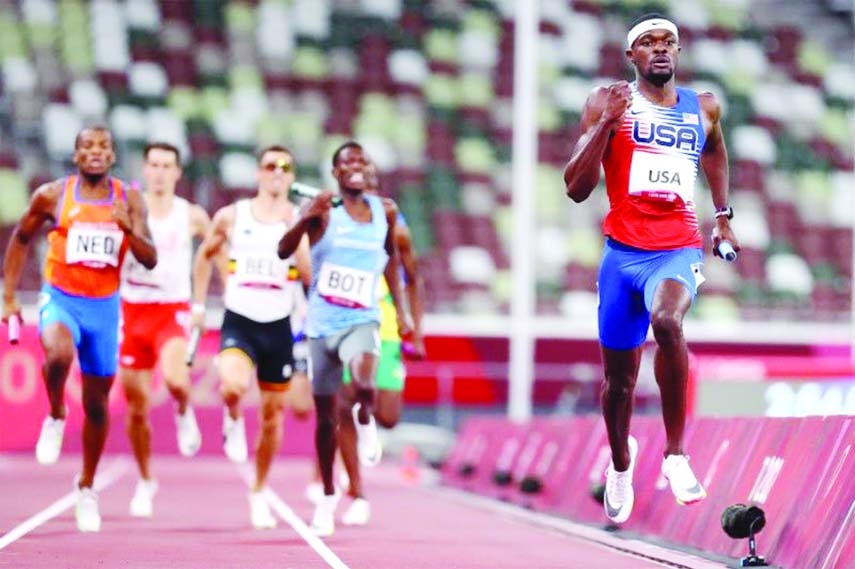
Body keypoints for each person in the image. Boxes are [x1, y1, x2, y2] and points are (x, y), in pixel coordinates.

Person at [562, 13, 740, 524]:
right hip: (622, 255)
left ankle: (676, 454)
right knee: (618, 382)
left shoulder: (703, 106)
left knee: (668, 321)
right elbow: (575, 189)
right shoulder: (605, 101)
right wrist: (606, 123)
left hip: (677, 248)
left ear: (678, 54)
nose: (660, 50)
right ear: (631, 56)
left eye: (669, 43)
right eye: (648, 43)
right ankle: (621, 462)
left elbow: (717, 154)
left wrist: (723, 216)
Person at [1, 126, 157, 532]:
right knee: (58, 354)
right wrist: (9, 295)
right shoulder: (53, 195)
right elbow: (20, 238)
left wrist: (127, 229)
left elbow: (150, 257)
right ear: (75, 155)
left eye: (103, 146)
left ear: (112, 155)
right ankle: (54, 412)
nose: (95, 152)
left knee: (98, 405)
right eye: (87, 146)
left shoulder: (129, 198)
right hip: (62, 297)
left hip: (104, 308)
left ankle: (86, 487)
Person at [277, 141, 410, 537]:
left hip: (363, 318)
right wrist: (304, 219)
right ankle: (329, 496)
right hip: (322, 324)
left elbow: (391, 266)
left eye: (360, 160)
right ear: (335, 173)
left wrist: (401, 313)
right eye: (346, 162)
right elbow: (284, 250)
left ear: (369, 169)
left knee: (365, 381)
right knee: (325, 419)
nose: (355, 166)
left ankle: (366, 418)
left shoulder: (384, 212)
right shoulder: (323, 211)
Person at [191, 145, 312, 530]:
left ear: (292, 177)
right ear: (258, 174)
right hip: (240, 320)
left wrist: (304, 231)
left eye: (285, 167)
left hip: (278, 325)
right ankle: (231, 417)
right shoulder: (232, 215)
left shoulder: (297, 220)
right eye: (270, 166)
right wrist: (198, 305)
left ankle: (259, 491)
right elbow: (205, 255)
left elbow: (308, 276)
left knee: (273, 418)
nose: (277, 172)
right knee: (231, 385)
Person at [118, 141, 211, 518]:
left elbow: (217, 251)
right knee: (136, 407)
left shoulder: (190, 215)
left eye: (166, 165)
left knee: (175, 379)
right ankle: (145, 479)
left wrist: (202, 302)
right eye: (153, 164)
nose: (158, 172)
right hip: (132, 309)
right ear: (144, 170)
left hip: (171, 309)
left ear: (177, 172)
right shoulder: (125, 209)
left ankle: (183, 409)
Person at [333, 159, 427, 526]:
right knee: (343, 403)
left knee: (388, 415)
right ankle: (356, 492)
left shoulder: (394, 227)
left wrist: (415, 329)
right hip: (343, 320)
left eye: (371, 183)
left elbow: (414, 278)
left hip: (385, 322)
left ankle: (366, 417)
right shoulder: (333, 220)